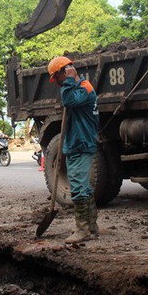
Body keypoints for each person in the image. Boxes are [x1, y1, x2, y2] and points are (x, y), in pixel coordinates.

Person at [48, 55, 100, 244]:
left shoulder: (84, 88)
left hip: (82, 143)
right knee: (83, 187)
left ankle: (83, 229)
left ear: (65, 72)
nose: (57, 83)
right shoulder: (76, 89)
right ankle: (91, 226)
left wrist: (69, 79)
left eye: (57, 77)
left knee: (77, 188)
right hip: (75, 143)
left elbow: (68, 101)